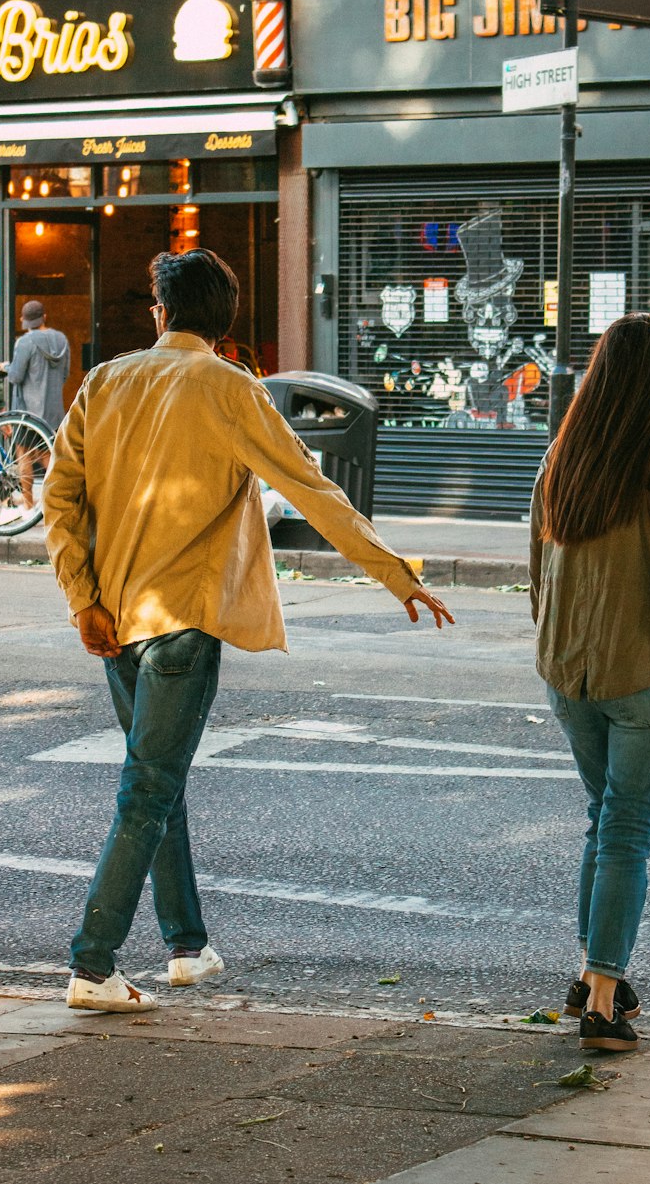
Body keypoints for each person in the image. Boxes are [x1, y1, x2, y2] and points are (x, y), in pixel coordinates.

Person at [43, 248, 454, 1014]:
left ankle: (187, 947)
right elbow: (314, 488)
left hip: (113, 620)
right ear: (225, 325)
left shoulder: (104, 382)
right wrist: (397, 573)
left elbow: (57, 495)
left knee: (158, 782)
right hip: (184, 623)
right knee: (149, 788)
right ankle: (91, 962)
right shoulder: (231, 388)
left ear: (161, 313)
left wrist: (81, 599)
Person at [529, 312, 650, 1053]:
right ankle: (603, 1002)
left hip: (568, 677)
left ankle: (588, 974)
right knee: (626, 831)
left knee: (602, 819)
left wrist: (555, 654)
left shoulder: (562, 455)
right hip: (643, 677)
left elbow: (537, 576)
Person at [3, 299, 70, 430]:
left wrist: (5, 367)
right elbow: (65, 375)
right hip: (54, 415)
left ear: (23, 319)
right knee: (49, 450)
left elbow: (15, 377)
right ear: (44, 317)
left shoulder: (25, 341)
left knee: (24, 450)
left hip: (28, 415)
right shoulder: (62, 339)